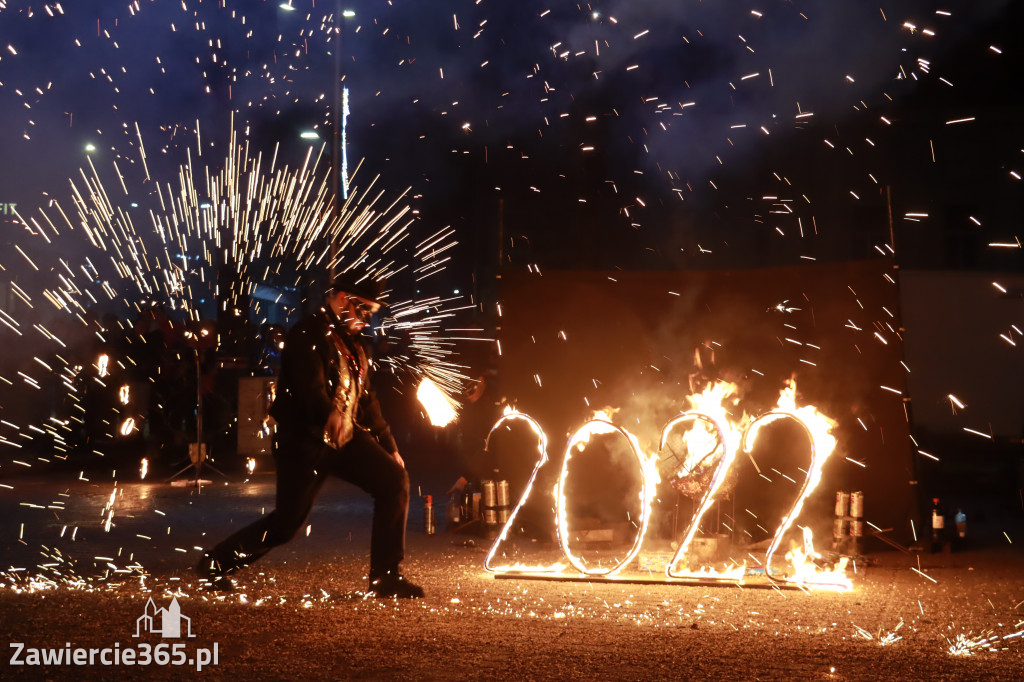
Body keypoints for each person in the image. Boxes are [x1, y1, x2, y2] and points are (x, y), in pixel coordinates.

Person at [196, 270, 423, 598]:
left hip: (343, 436)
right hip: (304, 440)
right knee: (285, 525)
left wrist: (389, 445)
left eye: (372, 314)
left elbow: (367, 399)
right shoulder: (307, 332)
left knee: (393, 479)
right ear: (343, 299)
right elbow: (308, 387)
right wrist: (327, 412)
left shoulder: (356, 345)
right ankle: (216, 563)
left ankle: (385, 577)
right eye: (365, 311)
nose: (367, 321)